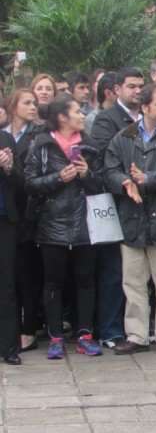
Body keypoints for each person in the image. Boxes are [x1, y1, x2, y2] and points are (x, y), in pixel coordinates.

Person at [104, 84, 156, 357]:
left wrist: (149, 179)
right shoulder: (123, 137)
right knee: (133, 283)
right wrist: (124, 181)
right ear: (144, 107)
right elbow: (109, 170)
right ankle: (137, 336)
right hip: (131, 219)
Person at [24, 95, 104, 359]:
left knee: (86, 280)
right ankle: (55, 337)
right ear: (62, 117)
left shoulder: (90, 146)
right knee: (53, 282)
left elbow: (102, 184)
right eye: (77, 111)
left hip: (86, 224)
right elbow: (30, 183)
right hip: (52, 224)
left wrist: (86, 175)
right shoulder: (42, 145)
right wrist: (58, 178)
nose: (83, 115)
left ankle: (85, 335)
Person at [91, 67, 145, 349]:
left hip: (147, 201)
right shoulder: (107, 118)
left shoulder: (148, 116)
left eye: (141, 86)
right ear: (117, 89)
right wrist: (128, 177)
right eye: (131, 86)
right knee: (115, 270)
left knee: (141, 273)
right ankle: (111, 330)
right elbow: (103, 158)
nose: (137, 91)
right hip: (116, 201)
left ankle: (139, 329)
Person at [3, 89, 43, 352]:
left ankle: (27, 331)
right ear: (13, 106)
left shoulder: (37, 135)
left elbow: (26, 179)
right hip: (9, 213)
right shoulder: (6, 133)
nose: (33, 107)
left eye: (35, 103)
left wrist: (8, 166)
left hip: (23, 214)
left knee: (24, 275)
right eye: (27, 102)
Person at [0, 129, 23, 365]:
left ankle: (8, 346)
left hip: (4, 222)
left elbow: (21, 181)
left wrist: (8, 167)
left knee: (6, 285)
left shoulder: (5, 139)